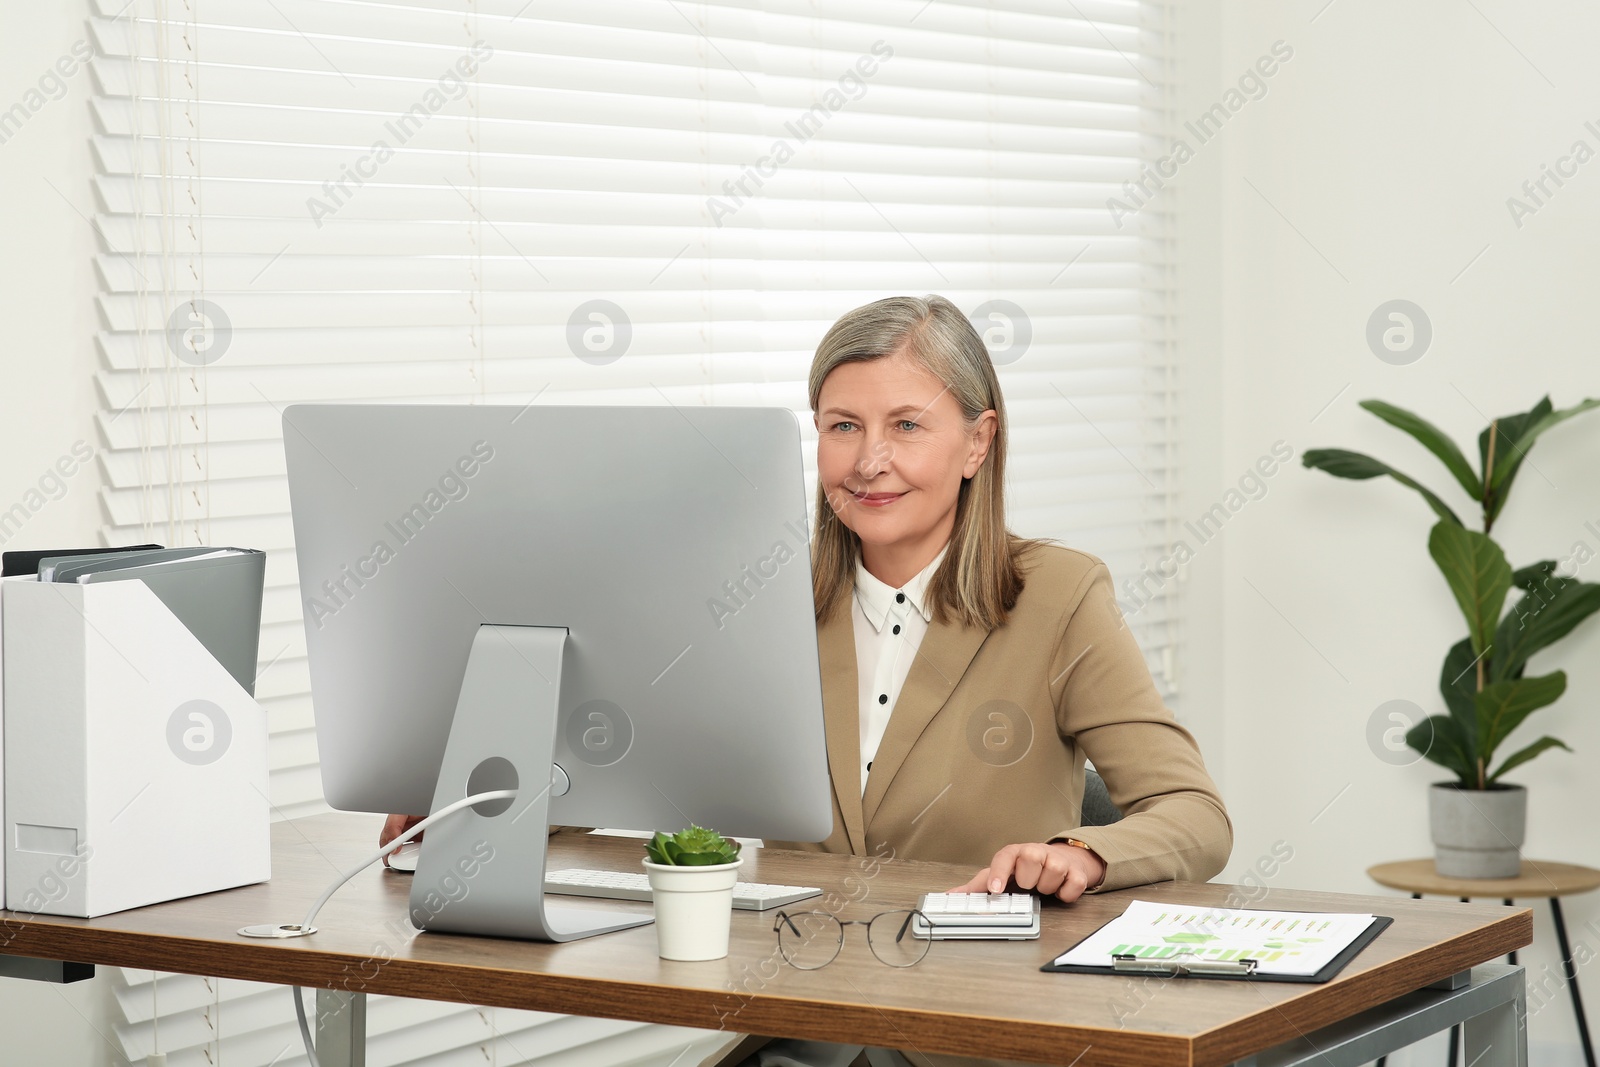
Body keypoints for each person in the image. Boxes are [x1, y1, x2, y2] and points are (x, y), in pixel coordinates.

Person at [713, 294, 1231, 1067]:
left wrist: (1082, 853)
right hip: (803, 1027)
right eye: (842, 425)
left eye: (907, 425)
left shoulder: (1059, 596)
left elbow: (1196, 816)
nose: (868, 461)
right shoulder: (767, 602)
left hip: (976, 1031)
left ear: (977, 442)